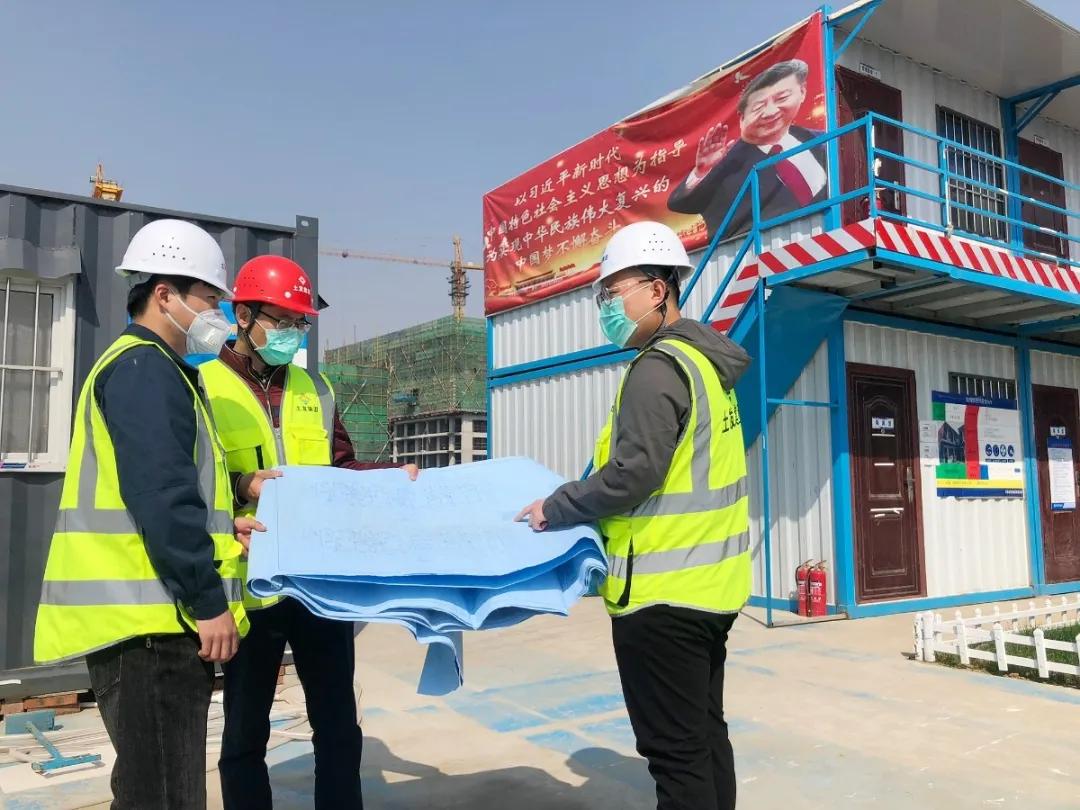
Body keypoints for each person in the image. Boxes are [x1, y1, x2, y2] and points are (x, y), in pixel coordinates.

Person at [516, 221, 752, 810]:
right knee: (703, 737)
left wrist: (556, 507)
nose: (607, 307)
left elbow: (633, 475)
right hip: (712, 590)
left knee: (675, 754)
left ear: (656, 289)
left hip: (661, 598)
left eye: (613, 292)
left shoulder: (656, 369)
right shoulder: (704, 365)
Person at [34, 218, 259, 810]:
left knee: (150, 791)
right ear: (165, 295)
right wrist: (207, 601)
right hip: (151, 629)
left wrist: (224, 527)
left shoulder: (156, 369)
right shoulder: (146, 369)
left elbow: (167, 491)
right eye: (209, 299)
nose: (218, 315)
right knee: (163, 797)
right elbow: (163, 497)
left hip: (151, 624)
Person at [199, 255, 418, 810]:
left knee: (338, 722)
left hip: (320, 584)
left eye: (301, 323)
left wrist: (391, 476)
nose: (294, 333)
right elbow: (191, 482)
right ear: (243, 316)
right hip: (252, 583)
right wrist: (239, 488)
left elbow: (340, 468)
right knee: (245, 730)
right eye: (284, 321)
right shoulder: (203, 386)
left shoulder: (315, 389)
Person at [668, 59, 826, 242]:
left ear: (802, 92)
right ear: (742, 118)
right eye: (758, 107)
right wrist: (702, 172)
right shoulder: (730, 163)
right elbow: (682, 203)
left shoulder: (818, 139)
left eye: (782, 98)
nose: (770, 112)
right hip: (765, 248)